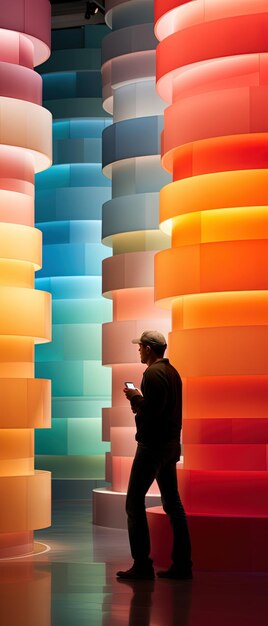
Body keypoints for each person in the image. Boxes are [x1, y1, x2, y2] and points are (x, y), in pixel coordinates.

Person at [116, 330, 192, 580]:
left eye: (140, 347)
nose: (138, 350)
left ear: (148, 348)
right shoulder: (173, 373)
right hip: (170, 446)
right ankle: (183, 564)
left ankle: (142, 565)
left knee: (134, 503)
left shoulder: (153, 373)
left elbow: (153, 412)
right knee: (173, 504)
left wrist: (136, 397)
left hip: (152, 447)